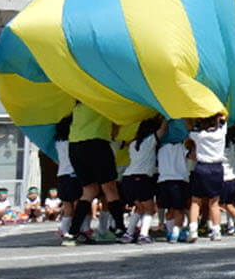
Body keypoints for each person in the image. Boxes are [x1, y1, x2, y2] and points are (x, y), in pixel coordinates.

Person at [63, 102, 125, 246]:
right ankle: (121, 229)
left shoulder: (76, 105)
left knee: (89, 189)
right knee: (110, 188)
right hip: (97, 143)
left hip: (75, 146)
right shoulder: (100, 100)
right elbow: (116, 127)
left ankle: (73, 232)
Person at [183, 113, 227, 243]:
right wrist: (219, 116)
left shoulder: (199, 136)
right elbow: (224, 118)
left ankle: (192, 230)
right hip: (217, 168)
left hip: (202, 167)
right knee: (214, 202)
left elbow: (189, 128)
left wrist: (185, 115)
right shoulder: (221, 133)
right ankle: (216, 231)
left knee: (196, 201)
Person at [118, 116, 163, 244]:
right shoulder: (150, 141)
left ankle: (129, 233)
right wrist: (166, 117)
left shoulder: (133, 144)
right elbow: (163, 130)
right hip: (142, 178)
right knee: (149, 209)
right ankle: (143, 234)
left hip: (128, 178)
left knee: (139, 208)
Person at [156, 121, 193, 243]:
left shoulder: (161, 149)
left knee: (169, 209)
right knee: (179, 209)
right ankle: (176, 233)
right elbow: (192, 155)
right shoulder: (181, 148)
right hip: (179, 181)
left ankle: (170, 231)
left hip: (163, 181)